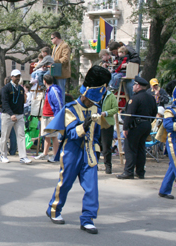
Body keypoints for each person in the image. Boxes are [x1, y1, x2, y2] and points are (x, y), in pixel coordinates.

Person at [44, 65, 110, 234]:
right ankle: (54, 209)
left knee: (91, 187)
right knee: (65, 183)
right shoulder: (70, 108)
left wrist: (98, 147)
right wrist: (83, 126)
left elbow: (98, 132)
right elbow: (72, 133)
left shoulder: (97, 109)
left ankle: (88, 219)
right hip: (72, 151)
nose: (94, 102)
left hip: (89, 152)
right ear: (86, 93)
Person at [116, 76, 157, 179]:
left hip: (136, 126)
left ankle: (128, 172)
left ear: (138, 86)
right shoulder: (151, 97)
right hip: (146, 125)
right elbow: (154, 113)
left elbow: (130, 114)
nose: (133, 86)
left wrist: (125, 128)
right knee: (141, 149)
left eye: (134, 85)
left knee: (130, 148)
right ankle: (140, 172)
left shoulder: (135, 98)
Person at [0, 69, 32, 164]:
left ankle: (23, 156)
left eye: (19, 76)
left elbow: (22, 102)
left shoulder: (21, 89)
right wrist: (11, 114)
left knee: (21, 136)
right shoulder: (6, 88)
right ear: (12, 77)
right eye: (16, 76)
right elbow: (4, 103)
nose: (18, 78)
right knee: (5, 136)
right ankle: (3, 155)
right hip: (8, 115)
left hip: (19, 115)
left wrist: (21, 114)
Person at [35, 74, 63, 162]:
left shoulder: (53, 90)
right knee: (46, 136)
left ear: (44, 81)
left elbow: (58, 103)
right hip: (46, 115)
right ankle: (45, 153)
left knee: (54, 136)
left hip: (52, 116)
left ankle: (55, 155)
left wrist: (57, 116)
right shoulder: (48, 90)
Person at [100, 89, 119, 174]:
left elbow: (115, 109)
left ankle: (108, 166)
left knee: (106, 146)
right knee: (95, 145)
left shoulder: (111, 96)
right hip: (96, 123)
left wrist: (106, 113)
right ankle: (94, 165)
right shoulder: (95, 94)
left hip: (107, 124)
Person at [51, 31, 71, 104]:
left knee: (61, 90)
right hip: (55, 71)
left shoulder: (65, 45)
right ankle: (56, 104)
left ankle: (61, 107)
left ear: (56, 38)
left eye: (52, 38)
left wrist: (55, 61)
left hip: (62, 72)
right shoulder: (54, 47)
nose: (51, 40)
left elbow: (66, 58)